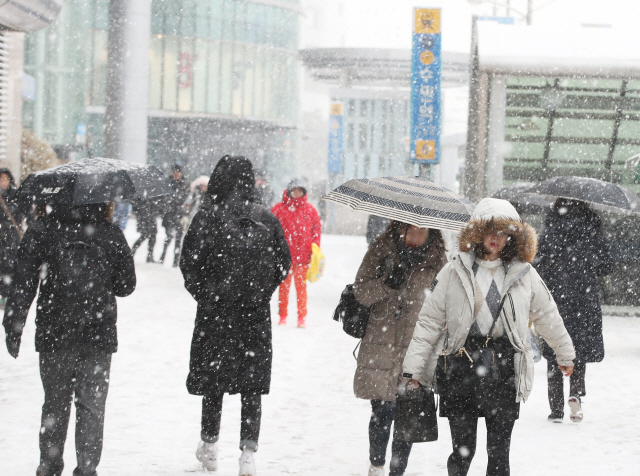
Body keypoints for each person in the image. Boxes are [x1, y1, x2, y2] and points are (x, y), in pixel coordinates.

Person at [402, 198, 576, 476]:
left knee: (499, 455)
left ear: (513, 237)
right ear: (477, 233)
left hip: (504, 368)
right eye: (490, 231)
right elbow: (429, 322)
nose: (496, 239)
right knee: (463, 451)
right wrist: (414, 369)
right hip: (460, 367)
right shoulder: (454, 270)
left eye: (504, 232)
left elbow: (547, 315)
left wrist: (565, 354)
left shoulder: (524, 274)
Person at [3, 202, 136, 476]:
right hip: (97, 332)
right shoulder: (110, 233)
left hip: (55, 330)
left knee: (55, 401)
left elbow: (24, 279)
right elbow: (126, 285)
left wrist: (14, 325)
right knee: (91, 405)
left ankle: (49, 465)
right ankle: (87, 468)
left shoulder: (43, 229)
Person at [180, 156, 291, 476]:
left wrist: (207, 295)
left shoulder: (207, 217)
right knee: (251, 385)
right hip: (254, 316)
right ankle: (247, 453)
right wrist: (261, 292)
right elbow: (283, 265)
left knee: (214, 380)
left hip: (215, 315)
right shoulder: (267, 219)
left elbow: (189, 264)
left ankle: (210, 446)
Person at [352, 221, 447, 476]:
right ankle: (376, 464)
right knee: (382, 410)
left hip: (416, 346)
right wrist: (386, 284)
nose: (415, 235)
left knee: (407, 412)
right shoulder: (381, 249)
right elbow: (360, 291)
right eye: (410, 228)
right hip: (380, 343)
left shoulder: (438, 260)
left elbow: (446, 303)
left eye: (422, 230)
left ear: (432, 232)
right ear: (399, 227)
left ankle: (397, 471)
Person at [535, 198, 614, 423]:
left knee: (554, 348)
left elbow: (539, 264)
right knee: (579, 347)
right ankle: (575, 393)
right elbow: (607, 265)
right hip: (584, 298)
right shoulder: (592, 228)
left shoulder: (550, 229)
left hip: (556, 297)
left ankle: (556, 409)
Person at [271, 179, 321, 328]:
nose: (297, 193)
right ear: (289, 191)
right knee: (284, 287)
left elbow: (316, 230)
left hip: (303, 257)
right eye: (294, 190)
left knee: (301, 288)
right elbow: (271, 229)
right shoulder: (279, 209)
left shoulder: (310, 210)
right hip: (285, 256)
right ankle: (283, 315)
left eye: (300, 190)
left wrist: (315, 247)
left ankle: (301, 317)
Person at [159, 164, 189, 266]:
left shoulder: (184, 184)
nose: (177, 174)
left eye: (178, 172)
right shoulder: (167, 183)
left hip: (179, 214)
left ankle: (176, 261)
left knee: (178, 238)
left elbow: (186, 199)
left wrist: (183, 212)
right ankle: (163, 257)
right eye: (175, 172)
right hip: (169, 214)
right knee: (169, 237)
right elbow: (164, 199)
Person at [0, 168, 22, 304]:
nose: (3, 182)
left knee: (10, 264)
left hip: (12, 237)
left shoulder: (16, 195)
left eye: (5, 179)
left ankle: (6, 293)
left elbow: (24, 214)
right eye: (1, 179)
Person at [130, 198, 160, 262]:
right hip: (144, 219)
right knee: (144, 236)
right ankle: (132, 253)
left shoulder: (152, 195)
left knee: (152, 237)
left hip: (150, 218)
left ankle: (150, 255)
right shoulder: (140, 196)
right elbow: (135, 207)